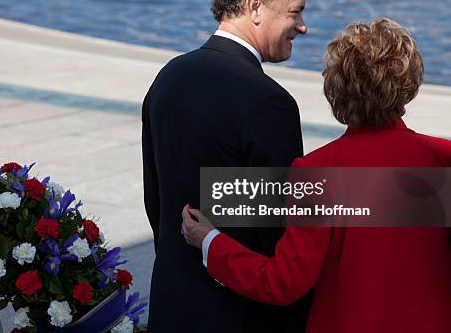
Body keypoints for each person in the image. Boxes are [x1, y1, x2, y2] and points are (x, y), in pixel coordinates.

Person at [182, 18, 451, 332]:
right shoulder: (441, 158)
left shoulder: (317, 172)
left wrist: (210, 242)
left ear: (336, 88)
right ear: (408, 85)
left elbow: (283, 283)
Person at [142, 0, 310, 332]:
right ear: (254, 6)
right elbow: (279, 233)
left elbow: (159, 202)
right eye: (295, 12)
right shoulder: (270, 102)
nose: (303, 26)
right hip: (240, 313)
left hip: (172, 303)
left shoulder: (167, 78)